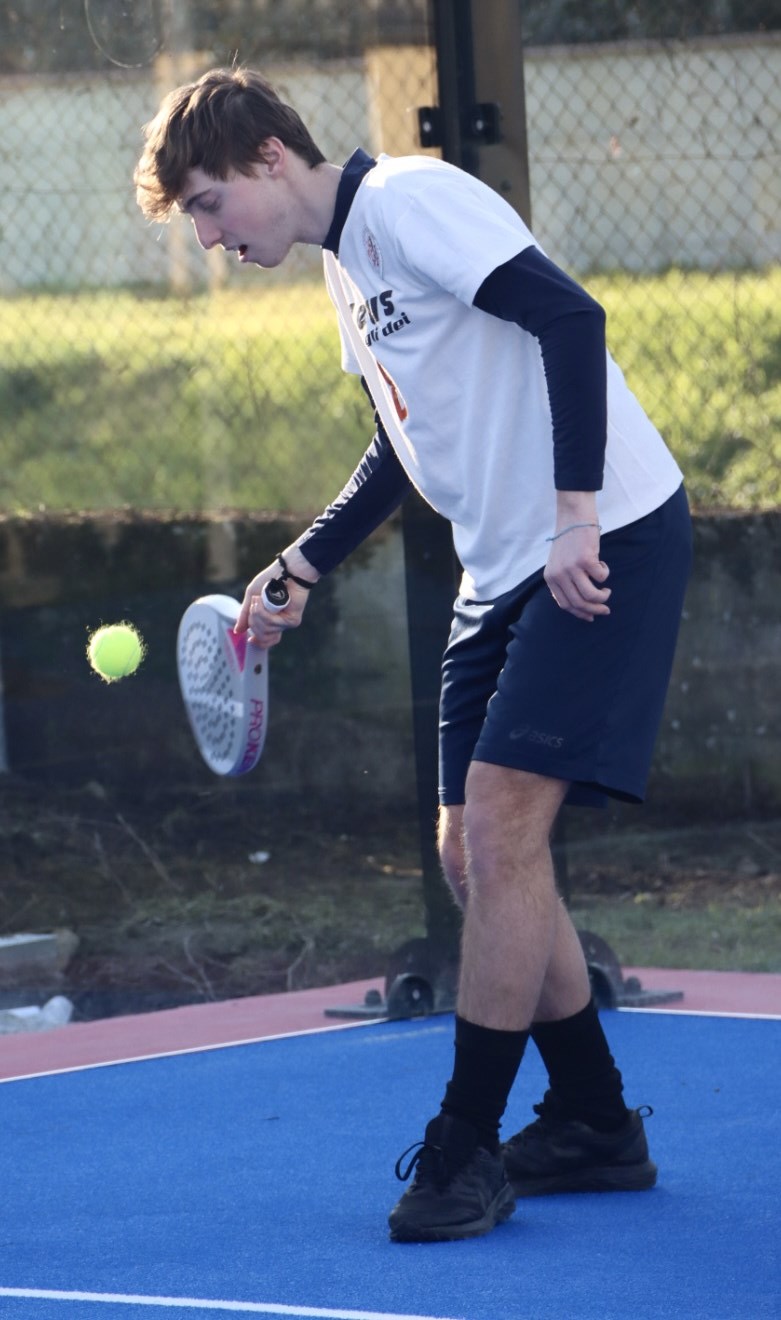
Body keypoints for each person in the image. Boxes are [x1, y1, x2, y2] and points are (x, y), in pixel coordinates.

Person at [135, 67, 692, 1244]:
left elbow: (570, 317)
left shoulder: (413, 200)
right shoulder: (349, 270)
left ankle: (463, 1150)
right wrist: (296, 567)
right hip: (499, 575)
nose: (207, 236)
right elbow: (396, 449)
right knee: (465, 854)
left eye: (204, 204)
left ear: (267, 160)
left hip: (603, 540)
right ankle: (595, 1121)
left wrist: (579, 515)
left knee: (500, 836)